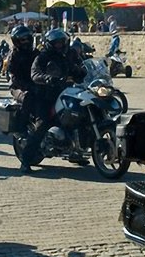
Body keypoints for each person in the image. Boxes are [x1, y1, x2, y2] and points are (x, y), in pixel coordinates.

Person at [19, 29, 86, 174]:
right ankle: (25, 160)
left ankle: (77, 150)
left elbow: (82, 66)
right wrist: (48, 78)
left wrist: (83, 72)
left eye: (62, 42)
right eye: (56, 43)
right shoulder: (43, 57)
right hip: (46, 95)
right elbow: (35, 73)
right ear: (50, 44)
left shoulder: (70, 54)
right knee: (42, 125)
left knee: (80, 115)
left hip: (68, 92)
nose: (60, 45)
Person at [7, 25, 39, 133]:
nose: (25, 42)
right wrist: (27, 86)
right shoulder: (14, 55)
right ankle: (21, 127)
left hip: (35, 84)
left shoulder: (35, 52)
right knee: (27, 97)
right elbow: (13, 76)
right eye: (22, 40)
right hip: (17, 86)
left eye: (26, 39)